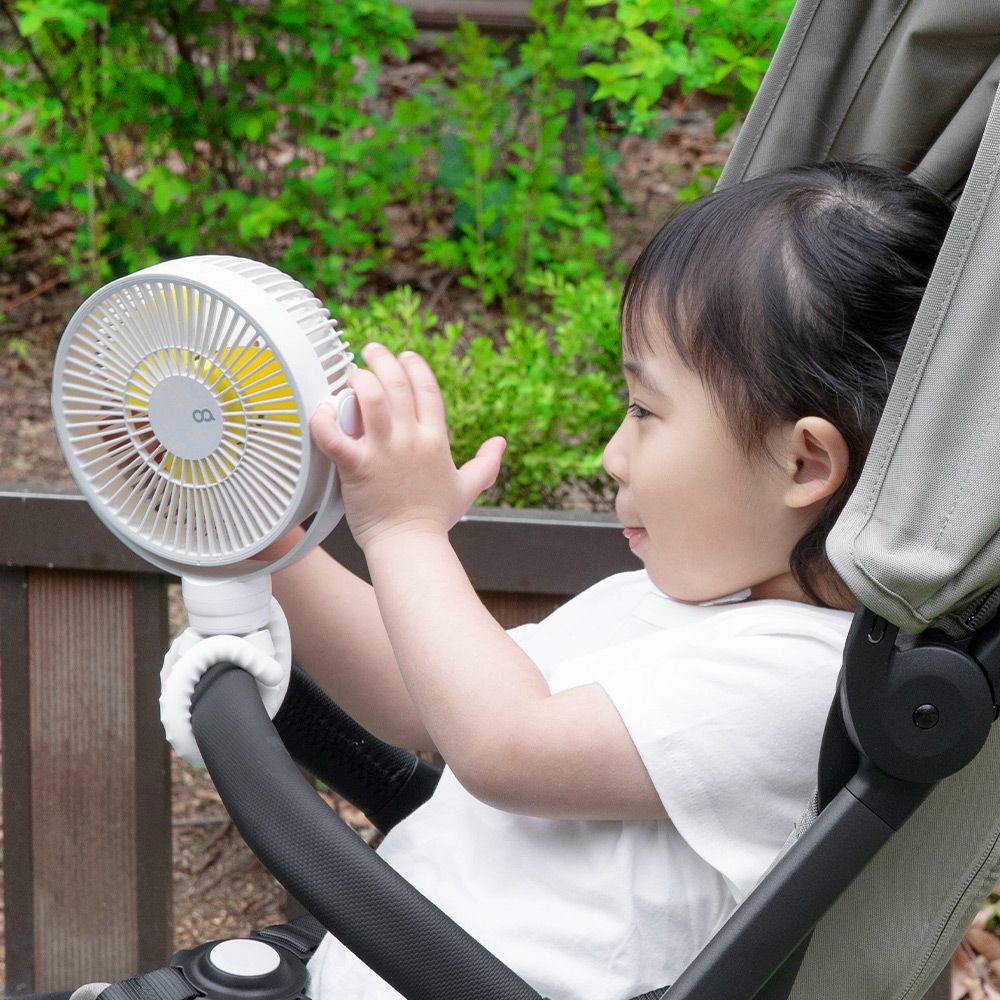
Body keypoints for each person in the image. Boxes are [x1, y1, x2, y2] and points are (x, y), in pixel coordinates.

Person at [164, 160, 954, 1000]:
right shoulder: (669, 603)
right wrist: (268, 544)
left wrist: (402, 529)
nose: (614, 453)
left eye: (645, 413)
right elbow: (422, 697)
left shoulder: (804, 680)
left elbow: (504, 748)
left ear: (804, 462)